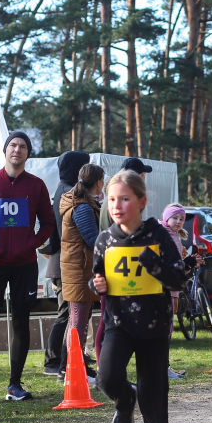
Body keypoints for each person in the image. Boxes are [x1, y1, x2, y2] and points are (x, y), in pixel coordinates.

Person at [92, 169, 185, 423]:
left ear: (142, 201)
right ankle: (124, 399)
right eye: (112, 199)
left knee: (154, 395)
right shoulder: (104, 239)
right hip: (118, 323)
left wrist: (153, 264)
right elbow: (97, 278)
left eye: (125, 199)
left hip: (154, 326)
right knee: (106, 378)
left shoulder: (158, 236)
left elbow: (178, 278)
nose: (116, 205)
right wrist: (98, 285)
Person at [0, 131, 54, 401]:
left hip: (25, 265)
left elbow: (48, 223)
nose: (17, 150)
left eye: (23, 146)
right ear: (4, 149)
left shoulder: (36, 185)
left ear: (28, 153)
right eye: (13, 145)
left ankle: (15, 384)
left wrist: (31, 243)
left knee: (21, 323)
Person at [95, 157, 154, 365]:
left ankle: (112, 368)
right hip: (118, 264)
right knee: (108, 318)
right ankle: (106, 368)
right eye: (142, 174)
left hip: (120, 263)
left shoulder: (116, 194)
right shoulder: (121, 197)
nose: (144, 178)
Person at [41, 151, 90, 375]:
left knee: (69, 313)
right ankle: (54, 361)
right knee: (67, 314)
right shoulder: (69, 192)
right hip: (66, 263)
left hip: (61, 261)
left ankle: (64, 358)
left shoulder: (63, 189)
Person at [58, 164, 105, 379]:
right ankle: (75, 369)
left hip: (79, 267)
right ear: (98, 182)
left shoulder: (84, 202)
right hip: (79, 269)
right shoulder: (83, 206)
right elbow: (94, 240)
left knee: (79, 319)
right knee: (78, 320)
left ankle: (77, 366)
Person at [161, 203, 189, 381]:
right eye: (175, 218)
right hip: (165, 289)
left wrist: (189, 264)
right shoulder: (164, 236)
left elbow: (177, 266)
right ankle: (162, 368)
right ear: (166, 218)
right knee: (164, 330)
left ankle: (165, 367)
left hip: (173, 289)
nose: (178, 222)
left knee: (168, 329)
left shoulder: (175, 236)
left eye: (181, 219)